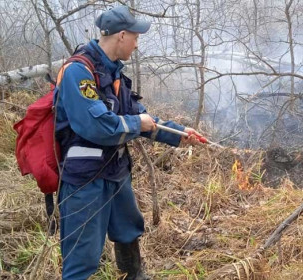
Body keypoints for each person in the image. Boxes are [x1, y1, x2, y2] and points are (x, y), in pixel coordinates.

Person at [54, 6, 200, 280]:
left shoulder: (114, 74)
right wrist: (137, 125)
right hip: (85, 180)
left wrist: (180, 133)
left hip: (116, 171)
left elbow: (136, 115)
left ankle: (134, 275)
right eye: (135, 37)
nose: (137, 43)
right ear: (121, 35)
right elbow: (96, 126)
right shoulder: (78, 72)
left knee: (128, 230)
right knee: (82, 259)